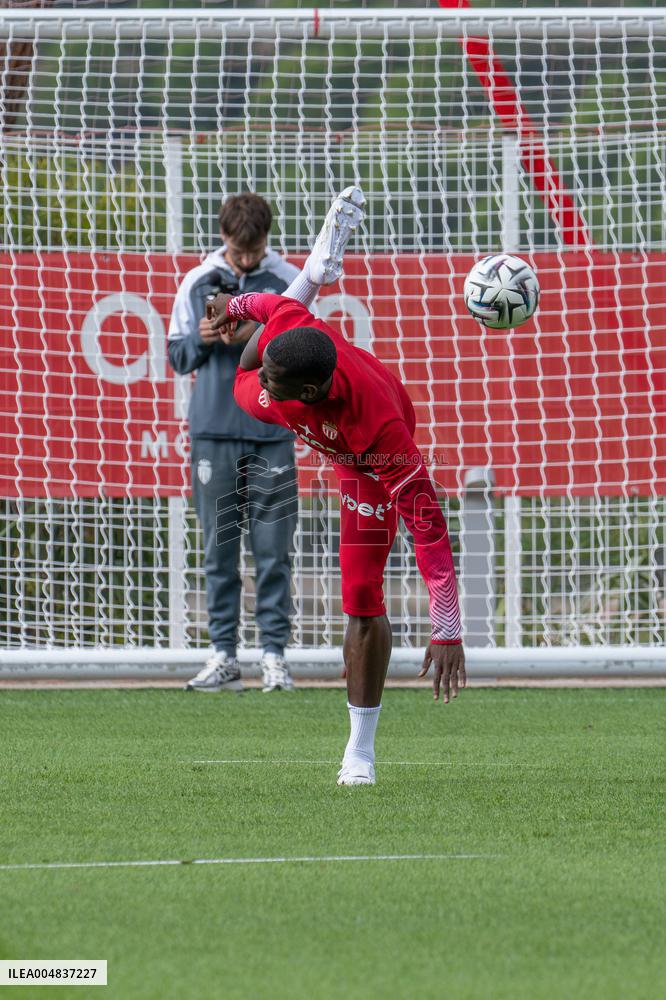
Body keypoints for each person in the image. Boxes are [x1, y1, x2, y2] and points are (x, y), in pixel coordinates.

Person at [206, 215, 466, 785]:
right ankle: (315, 272)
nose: (262, 382)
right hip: (309, 377)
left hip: (361, 464)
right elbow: (270, 310)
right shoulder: (288, 343)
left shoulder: (383, 437)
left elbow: (430, 531)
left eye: (273, 379)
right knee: (241, 377)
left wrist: (447, 628)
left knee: (361, 594)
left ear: (307, 393)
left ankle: (360, 751)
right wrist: (234, 309)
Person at [168, 189, 365, 693]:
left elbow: (300, 346)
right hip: (213, 430)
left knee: (274, 550)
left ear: (266, 242)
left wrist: (253, 336)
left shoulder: (284, 280)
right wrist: (204, 340)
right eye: (239, 251)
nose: (247, 259)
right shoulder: (196, 281)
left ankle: (274, 655)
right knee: (219, 548)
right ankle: (223, 654)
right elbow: (177, 354)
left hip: (272, 430)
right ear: (223, 238)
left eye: (254, 251)